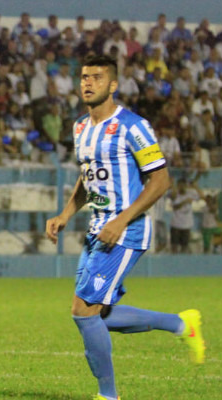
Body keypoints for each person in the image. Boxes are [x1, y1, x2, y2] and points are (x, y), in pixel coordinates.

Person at [45, 55, 205, 400]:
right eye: (85, 77)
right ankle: (181, 324)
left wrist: (122, 219)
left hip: (126, 231)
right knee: (98, 313)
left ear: (113, 85)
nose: (88, 83)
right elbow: (87, 178)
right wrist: (66, 214)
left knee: (83, 311)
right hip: (98, 229)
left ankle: (108, 395)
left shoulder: (133, 125)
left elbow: (161, 181)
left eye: (97, 78)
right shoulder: (80, 127)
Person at [169, 178, 202, 254]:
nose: (182, 187)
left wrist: (196, 187)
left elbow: (201, 197)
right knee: (174, 246)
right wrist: (185, 202)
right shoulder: (174, 193)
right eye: (180, 185)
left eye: (183, 185)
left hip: (186, 225)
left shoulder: (191, 193)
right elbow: (174, 206)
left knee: (184, 246)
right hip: (175, 224)